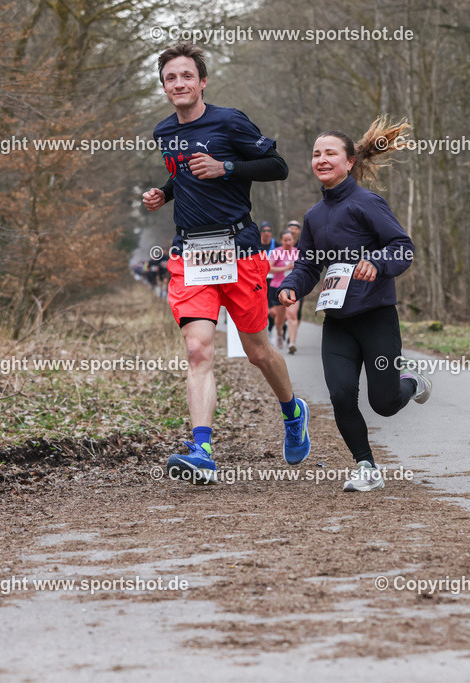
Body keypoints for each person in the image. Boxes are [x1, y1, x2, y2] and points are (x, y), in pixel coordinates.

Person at [141, 42, 310, 484]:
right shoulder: (164, 132)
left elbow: (278, 166)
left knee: (257, 351)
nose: (179, 83)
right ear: (164, 87)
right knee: (198, 350)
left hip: (240, 251)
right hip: (191, 254)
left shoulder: (229, 120)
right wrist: (165, 192)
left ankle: (293, 411)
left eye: (186, 76)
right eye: (170, 78)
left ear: (202, 82)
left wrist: (227, 167)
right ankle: (202, 449)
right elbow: (183, 173)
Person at [278, 117, 431, 493]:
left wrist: (376, 262)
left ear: (349, 162)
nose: (322, 159)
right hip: (338, 320)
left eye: (330, 153)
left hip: (376, 317)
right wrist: (291, 287)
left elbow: (402, 247)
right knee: (341, 395)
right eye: (316, 154)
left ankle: (412, 381)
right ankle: (367, 467)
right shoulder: (314, 216)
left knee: (385, 403)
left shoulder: (367, 202)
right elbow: (309, 264)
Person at [268, 231, 300, 353]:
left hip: (294, 288)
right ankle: (280, 334)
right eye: (285, 240)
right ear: (281, 241)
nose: (288, 242)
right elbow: (269, 268)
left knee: (291, 315)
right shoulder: (277, 252)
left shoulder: (298, 252)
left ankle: (292, 343)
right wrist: (285, 268)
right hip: (277, 287)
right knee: (279, 318)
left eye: (290, 240)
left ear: (293, 240)